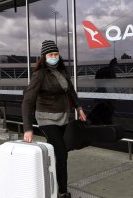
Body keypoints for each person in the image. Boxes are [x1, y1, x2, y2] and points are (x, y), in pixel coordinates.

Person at [22, 40, 86, 198]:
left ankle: (51, 180)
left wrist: (79, 108)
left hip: (62, 118)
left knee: (59, 152)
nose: (54, 57)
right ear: (44, 56)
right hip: (46, 119)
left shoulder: (62, 71)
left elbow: (71, 91)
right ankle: (63, 192)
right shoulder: (39, 75)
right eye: (51, 54)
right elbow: (28, 101)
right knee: (62, 152)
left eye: (56, 54)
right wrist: (28, 128)